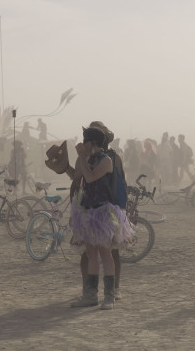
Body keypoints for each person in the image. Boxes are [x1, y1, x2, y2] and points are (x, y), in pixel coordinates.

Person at [68, 127, 134, 310]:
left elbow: (90, 178)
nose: (83, 144)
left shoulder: (107, 160)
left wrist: (81, 157)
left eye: (86, 141)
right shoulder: (89, 159)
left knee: (105, 253)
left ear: (93, 142)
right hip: (88, 210)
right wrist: (68, 165)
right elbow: (78, 177)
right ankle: (90, 295)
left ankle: (109, 296)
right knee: (91, 254)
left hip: (103, 212)